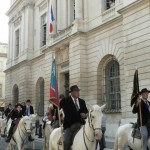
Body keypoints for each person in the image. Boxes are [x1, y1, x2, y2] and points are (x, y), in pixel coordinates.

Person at [60, 85, 88, 150]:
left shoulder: (82, 101)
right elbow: (58, 106)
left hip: (80, 125)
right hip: (69, 125)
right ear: (72, 93)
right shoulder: (65, 100)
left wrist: (85, 114)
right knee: (66, 142)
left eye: (78, 91)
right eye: (76, 91)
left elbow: (86, 111)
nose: (78, 93)